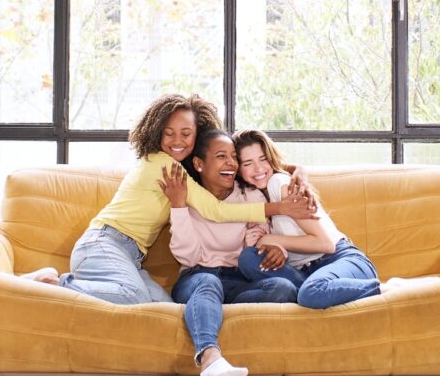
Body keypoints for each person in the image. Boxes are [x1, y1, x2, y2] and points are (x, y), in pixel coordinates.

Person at [26, 94, 314, 306]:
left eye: (187, 134)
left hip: (130, 255)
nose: (178, 140)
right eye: (169, 133)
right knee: (133, 296)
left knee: (164, 308)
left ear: (197, 136)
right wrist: (278, 207)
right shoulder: (162, 164)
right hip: (104, 243)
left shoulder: (186, 169)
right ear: (156, 133)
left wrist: (293, 169)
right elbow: (215, 209)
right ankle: (54, 283)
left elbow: (244, 169)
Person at [159, 129, 298, 376]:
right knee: (208, 283)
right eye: (221, 156)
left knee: (282, 287)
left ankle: (208, 308)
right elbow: (188, 257)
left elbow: (259, 240)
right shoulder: (186, 197)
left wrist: (276, 249)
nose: (231, 163)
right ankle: (209, 357)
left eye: (234, 157)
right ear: (199, 164)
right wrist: (178, 207)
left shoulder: (250, 196)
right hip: (197, 276)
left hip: (237, 281)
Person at [231, 128, 392, 310]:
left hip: (340, 259)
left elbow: (325, 244)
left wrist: (269, 240)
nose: (258, 169)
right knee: (248, 258)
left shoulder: (280, 184)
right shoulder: (254, 196)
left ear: (271, 158)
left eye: (263, 159)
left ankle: (385, 289)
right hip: (307, 273)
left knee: (311, 293)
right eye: (248, 163)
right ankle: (307, 292)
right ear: (238, 169)